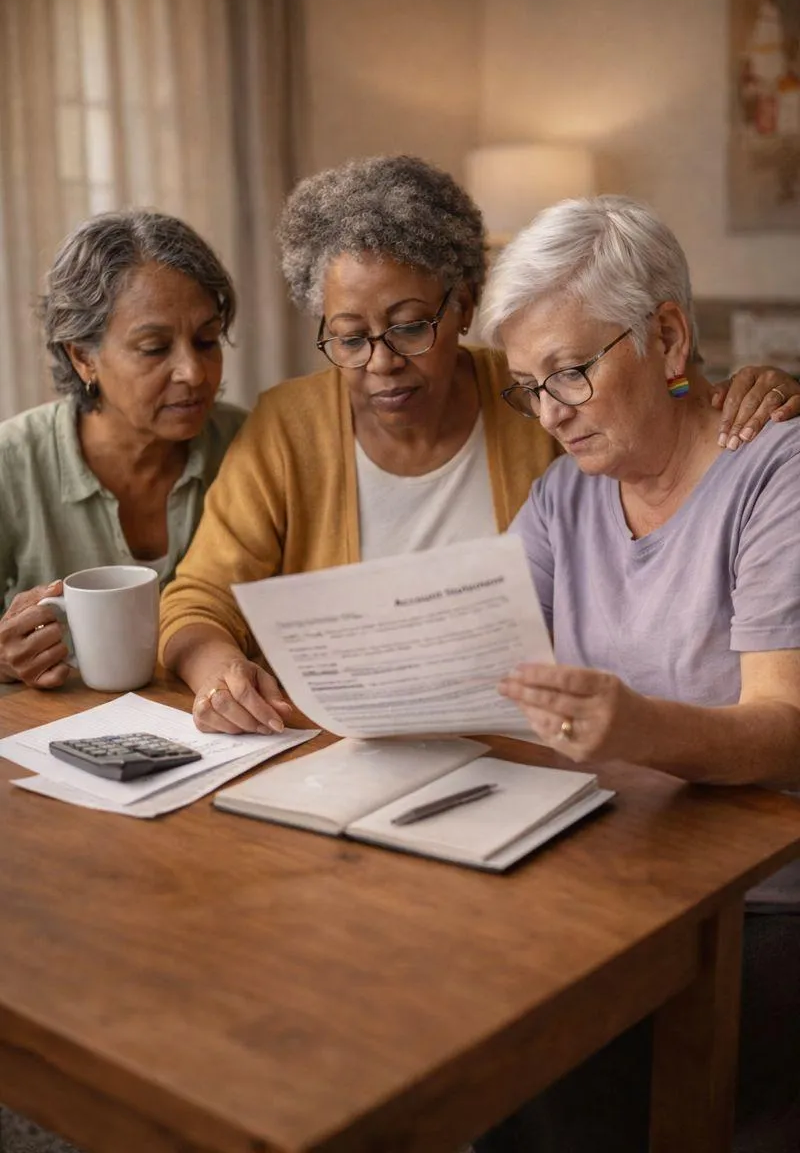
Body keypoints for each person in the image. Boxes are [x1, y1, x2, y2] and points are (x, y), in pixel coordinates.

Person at [159, 154, 799, 737]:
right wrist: (232, 673)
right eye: (350, 337)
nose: (380, 362)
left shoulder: (539, 409)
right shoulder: (559, 476)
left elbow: (675, 402)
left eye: (410, 326)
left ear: (462, 306)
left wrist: (771, 391)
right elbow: (201, 597)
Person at [472, 195, 800, 1152]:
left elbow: (786, 725)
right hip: (610, 874)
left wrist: (637, 728)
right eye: (528, 388)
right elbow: (481, 647)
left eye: (569, 372)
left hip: (763, 899)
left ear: (665, 339)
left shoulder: (774, 474)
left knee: (564, 1070)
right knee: (474, 1028)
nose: (550, 415)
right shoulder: (562, 496)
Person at [0, 210, 246, 689]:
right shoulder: (12, 462)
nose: (193, 373)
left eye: (206, 340)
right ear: (83, 357)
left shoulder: (251, 447)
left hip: (227, 733)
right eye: (155, 348)